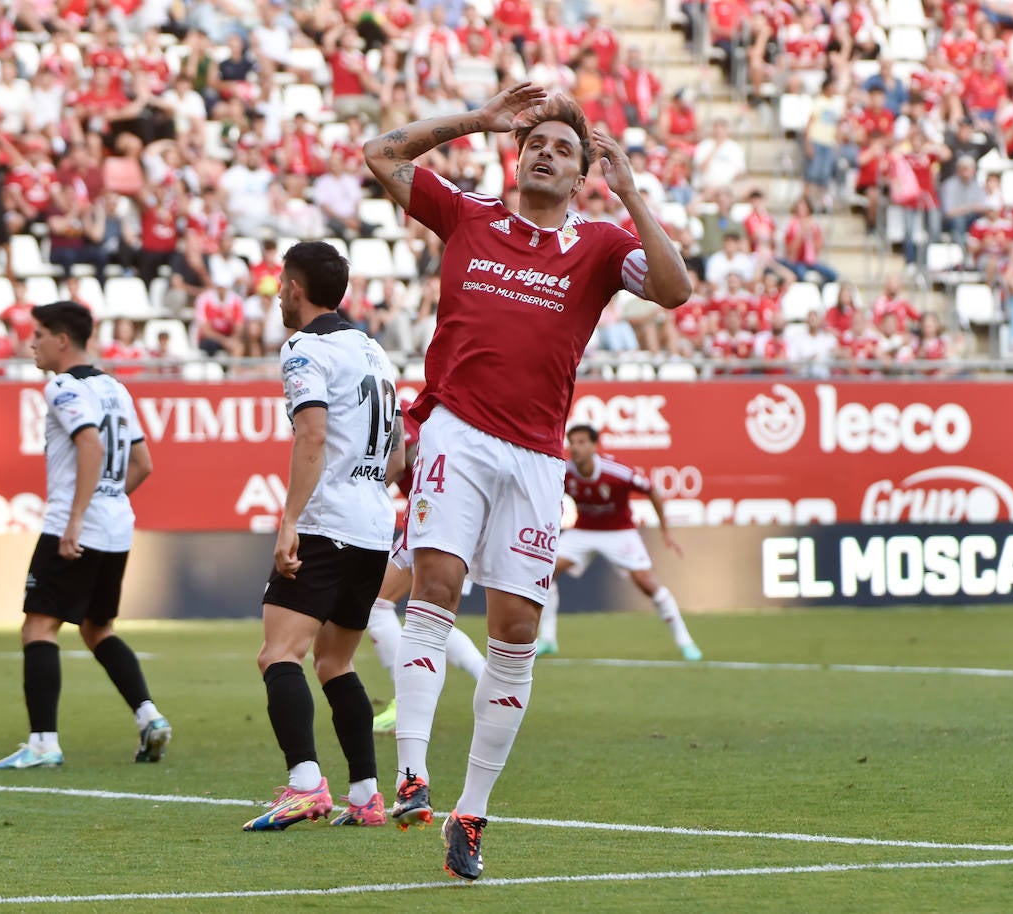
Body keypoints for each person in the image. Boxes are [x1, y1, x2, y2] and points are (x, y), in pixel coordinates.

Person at [363, 85, 692, 880]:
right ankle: (412, 773)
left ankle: (471, 816)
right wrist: (478, 118)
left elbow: (678, 291)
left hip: (538, 459)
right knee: (434, 585)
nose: (547, 152)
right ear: (517, 156)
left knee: (515, 633)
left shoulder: (602, 246)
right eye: (536, 143)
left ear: (584, 173)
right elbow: (380, 154)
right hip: (457, 432)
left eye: (564, 149)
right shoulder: (470, 216)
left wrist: (634, 192)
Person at [241, 241, 401, 832]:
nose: (279, 293)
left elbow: (310, 437)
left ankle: (305, 785)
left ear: (296, 287)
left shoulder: (305, 349)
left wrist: (289, 522)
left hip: (327, 522)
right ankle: (366, 796)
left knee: (279, 653)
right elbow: (397, 454)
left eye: (282, 283)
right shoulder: (373, 351)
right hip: (373, 524)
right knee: (336, 663)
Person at [0, 302, 171, 770]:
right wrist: (108, 499)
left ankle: (43, 742)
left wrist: (76, 519)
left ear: (62, 340)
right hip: (116, 525)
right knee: (97, 627)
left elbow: (89, 443)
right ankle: (149, 717)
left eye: (40, 334)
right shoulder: (116, 388)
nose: (32, 343)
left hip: (77, 523)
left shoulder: (62, 388)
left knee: (39, 627)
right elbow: (143, 464)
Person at [367, 405, 486, 735]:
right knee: (432, 620)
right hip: (456, 521)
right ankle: (487, 678)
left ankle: (402, 702)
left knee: (377, 605)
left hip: (436, 520)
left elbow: (401, 457)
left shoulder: (398, 411)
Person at [536, 424, 701, 660]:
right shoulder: (564, 472)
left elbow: (652, 490)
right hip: (584, 531)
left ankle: (686, 642)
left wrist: (666, 531)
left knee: (646, 582)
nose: (576, 447)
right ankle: (548, 639)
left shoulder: (616, 472)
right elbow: (546, 496)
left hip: (619, 532)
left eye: (582, 442)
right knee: (545, 573)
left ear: (594, 446)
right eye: (572, 442)